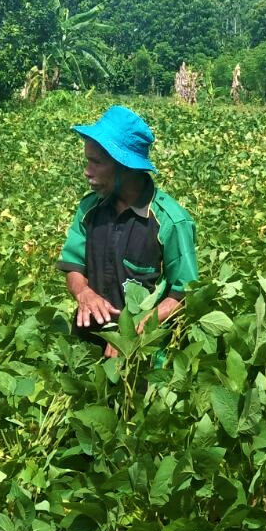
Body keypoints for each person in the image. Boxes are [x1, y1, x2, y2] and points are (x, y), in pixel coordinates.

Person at [56, 106, 198, 357]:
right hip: (87, 344)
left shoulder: (171, 222)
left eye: (96, 162)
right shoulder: (90, 209)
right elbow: (73, 266)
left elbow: (182, 295)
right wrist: (84, 293)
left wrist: (132, 333)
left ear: (125, 165)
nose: (87, 171)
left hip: (143, 354)